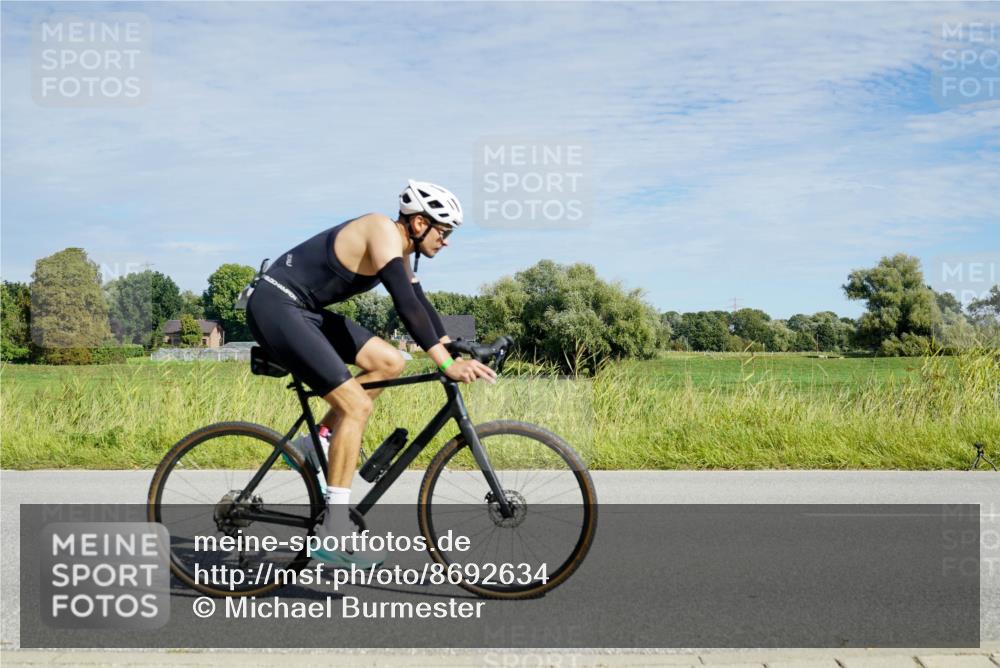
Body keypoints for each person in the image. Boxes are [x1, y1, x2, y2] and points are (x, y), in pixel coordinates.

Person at [245, 180, 496, 568]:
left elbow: (420, 303)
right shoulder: (380, 229)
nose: (446, 242)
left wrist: (449, 345)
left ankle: (318, 442)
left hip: (305, 311)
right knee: (357, 406)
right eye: (442, 232)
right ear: (417, 224)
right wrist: (445, 364)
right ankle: (334, 530)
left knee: (391, 362)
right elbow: (403, 304)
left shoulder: (399, 249)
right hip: (276, 306)